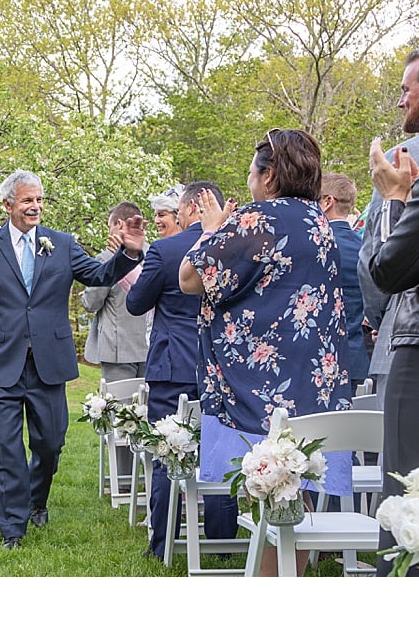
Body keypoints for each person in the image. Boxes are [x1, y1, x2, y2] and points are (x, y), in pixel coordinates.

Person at [0, 170, 145, 549]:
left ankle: (36, 499)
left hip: (49, 360)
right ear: (8, 205)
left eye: (39, 200)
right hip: (1, 361)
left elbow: (97, 275)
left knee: (50, 442)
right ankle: (12, 527)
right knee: (4, 448)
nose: (35, 207)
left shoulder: (61, 244)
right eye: (27, 200)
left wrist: (127, 253)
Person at [180, 129, 353, 576]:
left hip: (261, 384)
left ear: (269, 175)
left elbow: (190, 278)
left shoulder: (258, 219)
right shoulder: (318, 221)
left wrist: (212, 229)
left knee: (267, 491)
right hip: (313, 379)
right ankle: (289, 581)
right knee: (296, 490)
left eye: (253, 174)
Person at [126, 181, 238, 561]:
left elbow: (136, 302)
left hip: (173, 364)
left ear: (190, 209)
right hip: (224, 366)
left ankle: (162, 543)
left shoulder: (167, 249)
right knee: (220, 450)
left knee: (167, 449)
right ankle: (224, 543)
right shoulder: (239, 245)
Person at [367, 141, 419, 576]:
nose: (400, 101)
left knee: (415, 501)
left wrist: (395, 200)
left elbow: (388, 269)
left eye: (405, 90)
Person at [357, 45, 419, 408]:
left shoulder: (404, 157)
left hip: (409, 340)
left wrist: (380, 318)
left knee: (403, 463)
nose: (400, 102)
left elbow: (375, 264)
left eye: (406, 90)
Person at [80, 202, 149, 382]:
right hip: (150, 345)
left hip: (118, 349)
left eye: (109, 226)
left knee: (119, 407)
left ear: (119, 224)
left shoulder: (107, 258)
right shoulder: (154, 253)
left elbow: (91, 303)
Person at [320, 173, 370, 391]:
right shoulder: (364, 248)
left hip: (317, 360)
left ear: (327, 201)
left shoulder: (316, 245)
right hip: (355, 357)